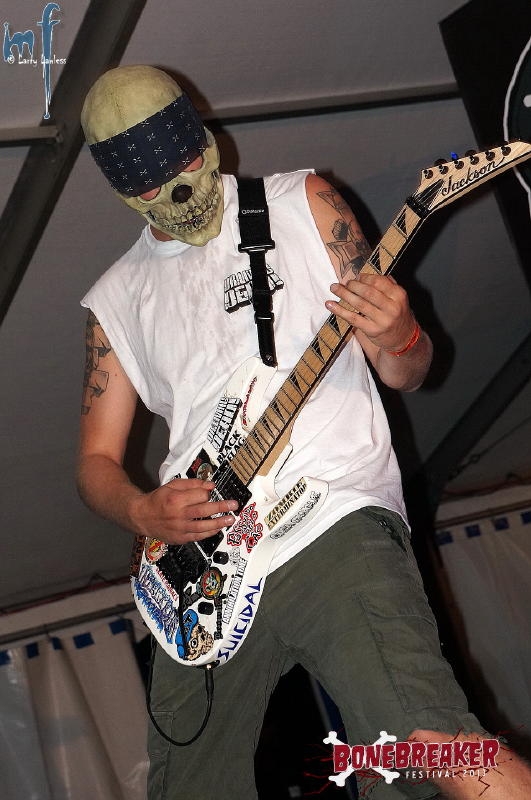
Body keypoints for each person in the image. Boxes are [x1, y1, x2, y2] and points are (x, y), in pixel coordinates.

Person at [77, 65, 531, 799]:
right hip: (200, 572)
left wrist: (402, 333)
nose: (184, 188)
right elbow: (95, 461)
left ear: (205, 140)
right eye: (158, 184)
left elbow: (406, 371)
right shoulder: (114, 298)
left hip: (330, 516)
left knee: (426, 739)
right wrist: (139, 510)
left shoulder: (302, 202)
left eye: (188, 161)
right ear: (126, 192)